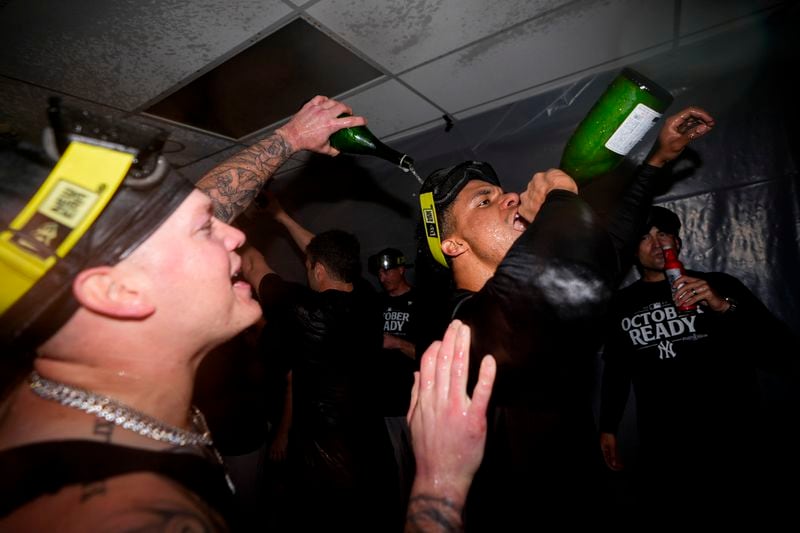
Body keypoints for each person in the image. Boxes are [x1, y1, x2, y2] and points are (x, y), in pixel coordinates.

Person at [0, 95, 494, 532]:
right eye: (203, 231)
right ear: (116, 291)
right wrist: (438, 482)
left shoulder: (60, 398)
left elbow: (203, 211)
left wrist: (290, 138)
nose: (234, 234)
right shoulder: (128, 512)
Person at [414, 106, 714, 527]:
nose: (509, 197)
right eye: (485, 200)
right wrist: (559, 193)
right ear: (453, 245)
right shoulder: (464, 326)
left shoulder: (520, 298)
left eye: (501, 191)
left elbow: (605, 247)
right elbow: (575, 270)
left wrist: (658, 160)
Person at [598, 205, 800, 509]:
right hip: (665, 447)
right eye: (644, 236)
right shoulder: (621, 304)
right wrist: (608, 426)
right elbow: (617, 369)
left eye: (663, 234)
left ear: (677, 242)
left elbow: (779, 348)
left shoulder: (719, 285)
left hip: (734, 439)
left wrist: (722, 306)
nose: (656, 243)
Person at [238, 201, 399, 531]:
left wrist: (237, 232)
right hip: (371, 439)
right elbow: (326, 253)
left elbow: (253, 265)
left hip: (324, 450)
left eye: (310, 265)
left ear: (318, 270)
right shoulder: (368, 298)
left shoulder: (304, 308)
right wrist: (282, 216)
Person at [367, 247, 421, 515]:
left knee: (421, 466)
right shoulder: (376, 304)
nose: (383, 276)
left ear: (401, 269)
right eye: (379, 271)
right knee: (395, 470)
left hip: (413, 402)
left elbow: (428, 352)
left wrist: (397, 342)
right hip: (383, 403)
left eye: (387, 270)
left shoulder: (422, 303)